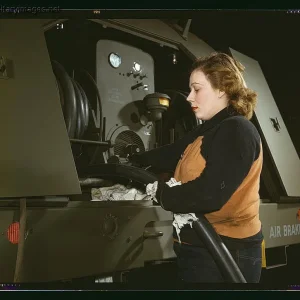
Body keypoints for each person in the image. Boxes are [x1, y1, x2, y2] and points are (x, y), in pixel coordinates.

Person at [130, 52, 264, 283]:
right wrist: (130, 161)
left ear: (222, 89)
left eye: (197, 89)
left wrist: (161, 192)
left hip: (225, 252)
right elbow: (170, 154)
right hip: (201, 249)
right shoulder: (209, 130)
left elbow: (209, 194)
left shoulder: (236, 130)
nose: (190, 97)